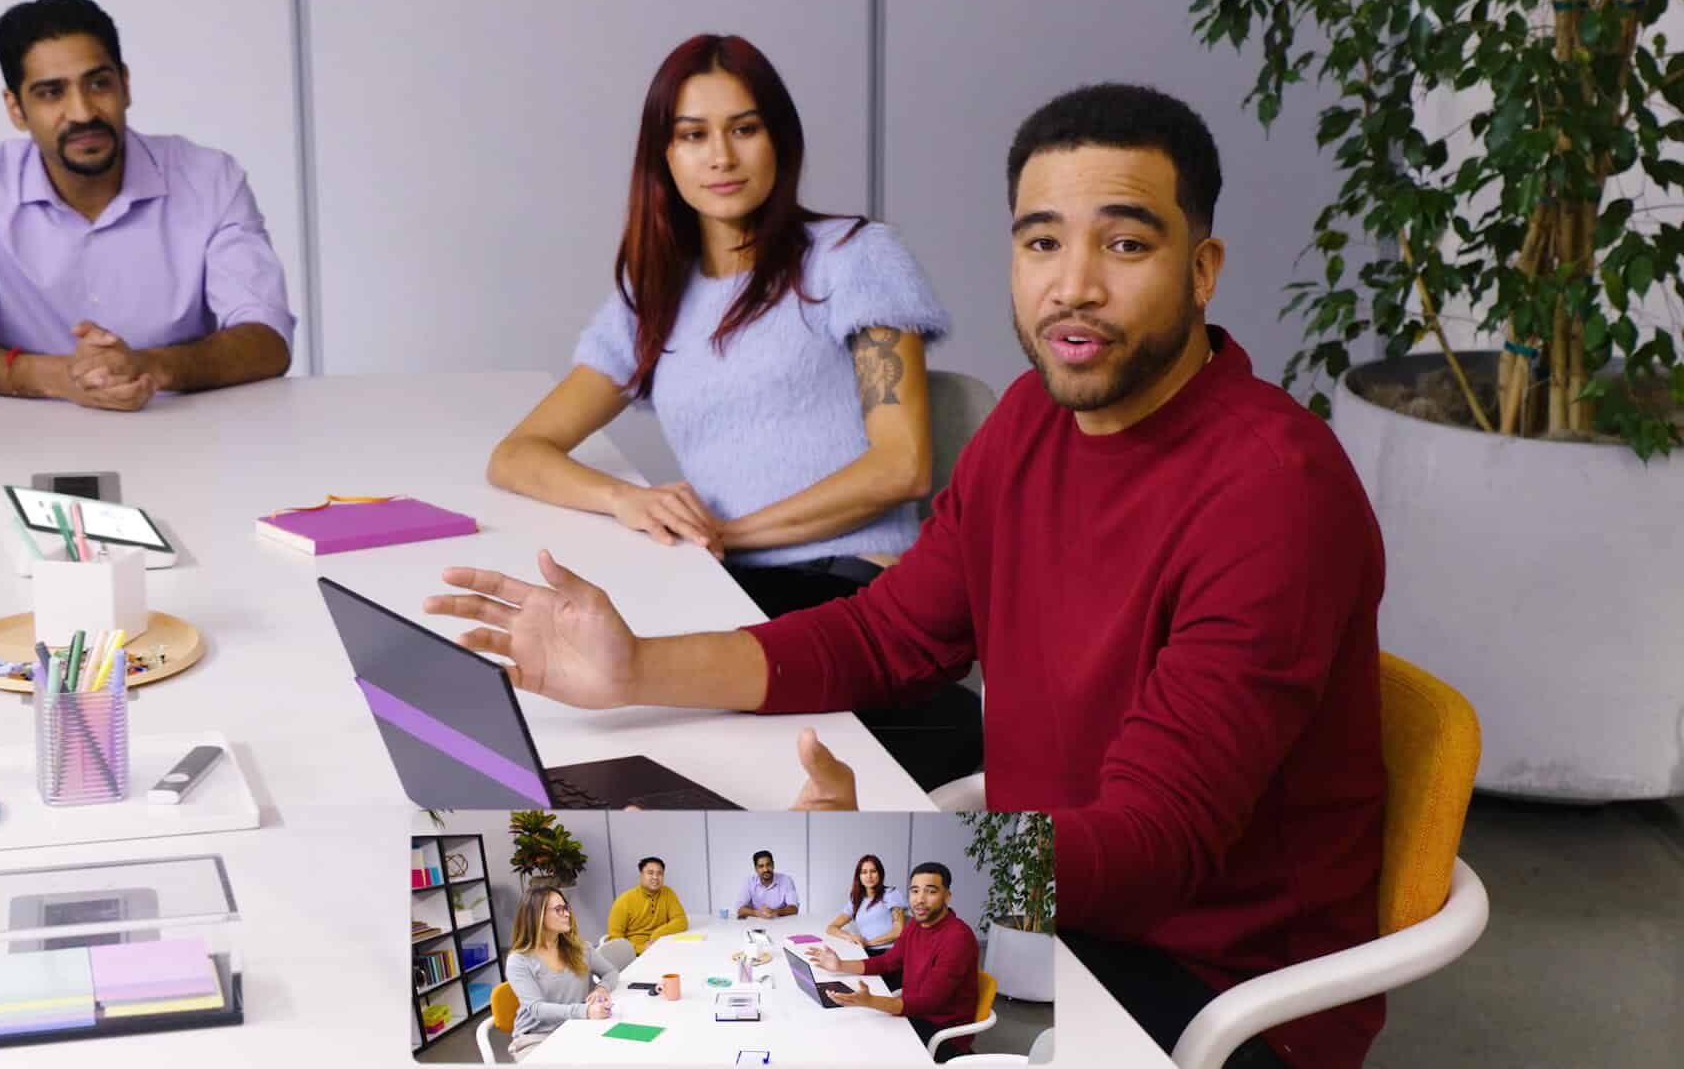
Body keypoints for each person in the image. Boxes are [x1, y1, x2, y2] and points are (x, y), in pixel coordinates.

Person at [426, 82, 1387, 1069]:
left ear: (1203, 270)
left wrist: (894, 870)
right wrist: (633, 670)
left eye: (1127, 245)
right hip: (1049, 927)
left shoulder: (1275, 493)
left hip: (1211, 991)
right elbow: (884, 635)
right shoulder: (1030, 423)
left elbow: (1154, 850)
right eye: (1042, 242)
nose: (1075, 287)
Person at [481, 32, 980, 790]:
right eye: (693, 135)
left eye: (744, 129)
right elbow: (517, 454)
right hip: (727, 587)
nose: (721, 156)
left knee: (651, 725)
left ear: (779, 139)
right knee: (586, 711)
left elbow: (901, 465)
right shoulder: (652, 297)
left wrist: (724, 533)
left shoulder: (851, 256)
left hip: (853, 589)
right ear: (665, 156)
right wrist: (630, 499)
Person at [0, 0, 294, 410]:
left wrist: (149, 367)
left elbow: (267, 338)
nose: (83, 112)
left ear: (125, 84)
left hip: (182, 433)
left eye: (99, 83)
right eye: (51, 93)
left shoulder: (211, 180)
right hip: (19, 441)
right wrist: (55, 376)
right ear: (16, 108)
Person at [805, 862, 978, 1061]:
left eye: (931, 891)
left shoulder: (957, 938)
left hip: (941, 1032)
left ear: (947, 896)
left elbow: (928, 1003)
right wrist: (840, 965)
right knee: (845, 1032)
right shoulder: (915, 925)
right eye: (915, 891)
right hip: (912, 1014)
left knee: (860, 1049)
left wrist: (870, 1002)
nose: (920, 899)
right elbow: (888, 962)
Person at [503, 887, 617, 1059]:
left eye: (566, 908)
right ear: (537, 916)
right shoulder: (519, 960)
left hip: (577, 1026)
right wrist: (585, 1011)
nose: (567, 914)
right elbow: (536, 1009)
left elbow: (611, 972)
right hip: (537, 1038)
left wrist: (602, 988)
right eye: (558, 909)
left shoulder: (581, 949)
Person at [606, 856, 689, 954]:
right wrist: (641, 949)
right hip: (634, 955)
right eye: (650, 873)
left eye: (659, 873)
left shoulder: (667, 893)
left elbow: (681, 921)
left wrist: (657, 934)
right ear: (641, 875)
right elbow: (615, 939)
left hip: (662, 947)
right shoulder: (624, 901)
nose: (655, 877)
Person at [827, 854, 906, 955]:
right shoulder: (856, 900)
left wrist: (868, 943)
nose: (869, 876)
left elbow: (898, 931)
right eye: (864, 872)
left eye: (873, 871)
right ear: (859, 876)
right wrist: (851, 937)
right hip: (865, 951)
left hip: (889, 952)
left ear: (880, 874)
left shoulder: (891, 894)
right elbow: (831, 927)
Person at [734, 850, 799, 919]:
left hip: (782, 924)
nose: (765, 869)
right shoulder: (749, 882)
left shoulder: (786, 880)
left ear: (773, 865)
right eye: (761, 866)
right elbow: (740, 909)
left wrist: (775, 912)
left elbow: (794, 908)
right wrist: (758, 913)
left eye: (768, 864)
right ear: (756, 869)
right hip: (756, 925)